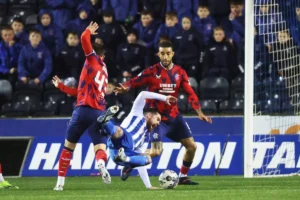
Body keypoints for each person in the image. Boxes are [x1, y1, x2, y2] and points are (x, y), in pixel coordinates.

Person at [114, 41, 212, 185]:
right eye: (162, 54)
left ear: (172, 54)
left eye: (167, 53)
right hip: (157, 119)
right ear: (158, 54)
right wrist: (126, 87)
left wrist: (199, 112)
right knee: (156, 152)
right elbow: (135, 81)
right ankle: (130, 162)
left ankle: (182, 177)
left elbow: (190, 93)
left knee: (192, 147)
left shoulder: (180, 73)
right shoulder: (152, 71)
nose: (165, 57)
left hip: (174, 117)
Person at [53, 22, 111, 191]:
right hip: (98, 113)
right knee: (100, 146)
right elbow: (80, 91)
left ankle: (60, 184)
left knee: (68, 147)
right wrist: (62, 87)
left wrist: (88, 31)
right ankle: (100, 163)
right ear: (104, 57)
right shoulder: (105, 70)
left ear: (94, 53)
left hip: (81, 110)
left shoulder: (91, 59)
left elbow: (84, 38)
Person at [97, 91, 177, 189]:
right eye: (158, 119)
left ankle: (124, 157)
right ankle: (105, 122)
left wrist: (148, 186)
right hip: (122, 139)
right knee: (119, 131)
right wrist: (164, 98)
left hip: (121, 156)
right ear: (149, 116)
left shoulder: (146, 138)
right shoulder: (137, 113)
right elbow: (143, 94)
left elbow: (140, 160)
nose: (158, 123)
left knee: (147, 159)